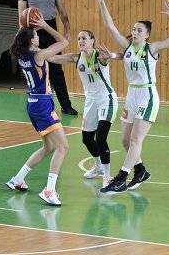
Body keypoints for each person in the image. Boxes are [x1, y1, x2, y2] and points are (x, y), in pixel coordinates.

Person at [94, 0, 169, 194]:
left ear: (146, 35)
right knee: (125, 139)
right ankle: (141, 170)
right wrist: (101, 2)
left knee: (136, 140)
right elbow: (110, 26)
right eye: (133, 29)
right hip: (132, 95)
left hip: (147, 95)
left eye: (139, 30)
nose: (134, 32)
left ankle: (121, 177)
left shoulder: (152, 48)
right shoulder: (126, 47)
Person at [5, 16, 71, 206]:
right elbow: (64, 42)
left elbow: (56, 55)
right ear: (32, 40)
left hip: (33, 103)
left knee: (49, 147)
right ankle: (49, 190)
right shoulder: (38, 55)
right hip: (42, 104)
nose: (38, 35)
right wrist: (46, 25)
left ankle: (17, 180)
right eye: (36, 33)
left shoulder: (24, 55)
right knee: (63, 147)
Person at [49, 31, 119, 187]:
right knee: (87, 139)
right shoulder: (76, 57)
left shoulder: (100, 56)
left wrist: (110, 56)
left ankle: (107, 176)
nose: (80, 41)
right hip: (90, 102)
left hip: (106, 99)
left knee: (100, 138)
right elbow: (53, 58)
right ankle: (98, 166)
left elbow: (110, 58)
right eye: (79, 38)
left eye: (84, 38)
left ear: (92, 41)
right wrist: (38, 53)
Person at [18, 0, 78, 116]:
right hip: (33, 30)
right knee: (34, 66)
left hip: (50, 27)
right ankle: (34, 98)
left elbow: (62, 11)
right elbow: (21, 16)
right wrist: (23, 37)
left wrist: (68, 30)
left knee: (56, 69)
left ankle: (66, 105)